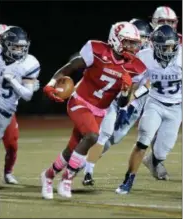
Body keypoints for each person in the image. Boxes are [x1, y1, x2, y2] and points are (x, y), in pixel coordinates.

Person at [41, 21, 147, 199]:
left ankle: (48, 176)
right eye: (127, 42)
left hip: (100, 110)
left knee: (72, 148)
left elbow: (122, 104)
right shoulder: (97, 50)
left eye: (134, 43)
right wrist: (51, 83)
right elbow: (71, 66)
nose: (131, 47)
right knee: (92, 136)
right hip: (80, 100)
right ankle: (68, 178)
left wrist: (126, 91)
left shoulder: (136, 67)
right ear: (115, 39)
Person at [83, 19, 152, 186]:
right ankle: (87, 169)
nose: (140, 42)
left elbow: (147, 85)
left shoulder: (148, 56)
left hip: (132, 103)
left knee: (113, 139)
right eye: (138, 38)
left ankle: (86, 161)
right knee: (104, 133)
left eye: (144, 38)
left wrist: (130, 102)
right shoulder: (119, 51)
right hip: (112, 99)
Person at [115, 25, 182, 194]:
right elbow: (138, 84)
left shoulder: (181, 58)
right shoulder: (145, 58)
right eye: (164, 47)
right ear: (154, 46)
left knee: (161, 152)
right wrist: (128, 104)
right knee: (144, 138)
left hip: (176, 107)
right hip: (155, 103)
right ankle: (128, 180)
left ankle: (153, 161)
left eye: (171, 46)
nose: (168, 50)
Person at [0, 24, 40, 184]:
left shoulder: (29, 63)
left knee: (12, 143)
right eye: (14, 46)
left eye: (21, 46)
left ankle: (8, 173)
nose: (18, 50)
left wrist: (19, 83)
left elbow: (27, 94)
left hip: (6, 110)